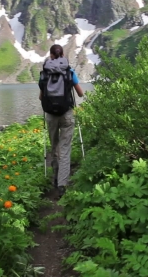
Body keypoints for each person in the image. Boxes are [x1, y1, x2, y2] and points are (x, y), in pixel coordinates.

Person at [39, 44, 84, 198]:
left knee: (54, 146)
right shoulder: (69, 71)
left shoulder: (44, 72)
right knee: (65, 148)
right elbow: (80, 93)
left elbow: (41, 96)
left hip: (51, 114)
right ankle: (62, 185)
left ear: (51, 55)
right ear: (63, 54)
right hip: (66, 113)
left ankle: (55, 177)